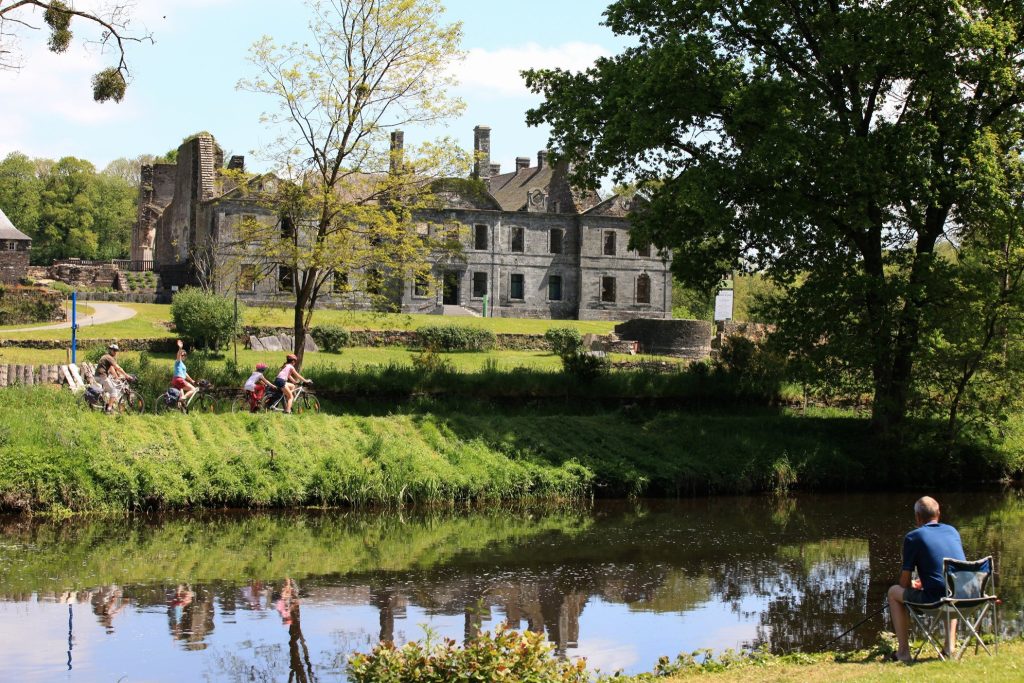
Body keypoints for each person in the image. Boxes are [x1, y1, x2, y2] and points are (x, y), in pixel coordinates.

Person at [887, 496, 966, 662]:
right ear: (938, 513)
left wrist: (911, 585)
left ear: (917, 517)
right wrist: (926, 581)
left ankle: (903, 652)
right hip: (964, 599)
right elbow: (953, 569)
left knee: (894, 592)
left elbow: (904, 582)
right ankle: (950, 647)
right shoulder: (952, 531)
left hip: (936, 601)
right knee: (952, 588)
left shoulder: (913, 537)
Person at [95, 343, 130, 412]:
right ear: (111, 351)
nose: (115, 352)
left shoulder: (106, 357)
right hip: (102, 376)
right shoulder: (109, 357)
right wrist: (127, 375)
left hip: (98, 376)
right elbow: (118, 368)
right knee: (114, 391)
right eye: (114, 351)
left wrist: (117, 377)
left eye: (116, 351)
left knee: (109, 389)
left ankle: (105, 405)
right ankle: (109, 410)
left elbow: (112, 369)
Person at [172, 339, 197, 406]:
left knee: (180, 397)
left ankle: (180, 411)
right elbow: (178, 355)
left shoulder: (182, 365)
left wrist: (192, 380)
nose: (184, 356)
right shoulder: (178, 361)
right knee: (193, 389)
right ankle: (183, 398)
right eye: (183, 355)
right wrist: (180, 348)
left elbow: (185, 374)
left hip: (176, 380)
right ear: (180, 356)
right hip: (179, 380)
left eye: (185, 355)